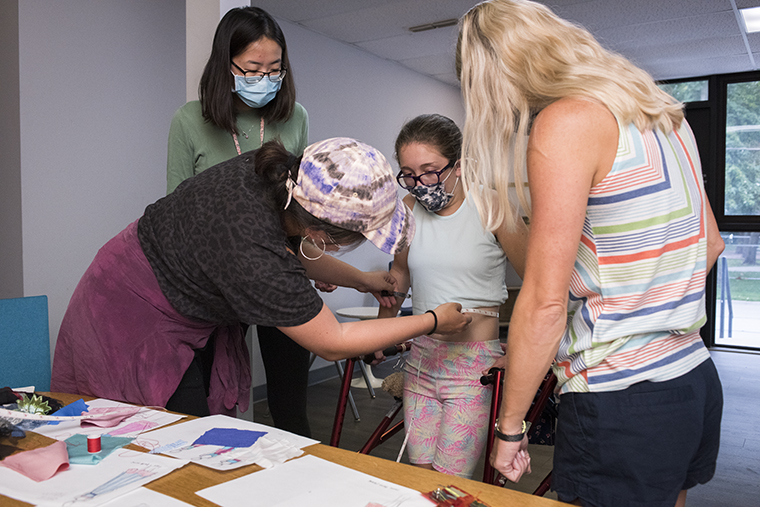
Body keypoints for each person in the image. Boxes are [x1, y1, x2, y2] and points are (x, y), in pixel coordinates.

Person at [457, 1, 725, 506]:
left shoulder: (566, 121)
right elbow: (711, 243)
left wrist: (509, 425)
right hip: (691, 377)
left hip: (620, 396)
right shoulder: (662, 116)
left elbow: (544, 303)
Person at [51, 137, 472, 420]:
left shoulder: (280, 178)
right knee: (173, 437)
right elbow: (332, 342)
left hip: (178, 286)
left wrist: (363, 280)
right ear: (318, 233)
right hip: (128, 313)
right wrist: (433, 320)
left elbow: (292, 254)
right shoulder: (250, 245)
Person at [166, 7, 313, 436]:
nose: (264, 78)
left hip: (275, 268)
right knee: (207, 403)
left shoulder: (295, 117)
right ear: (225, 65)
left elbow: (299, 203)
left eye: (275, 69)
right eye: (252, 69)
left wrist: (307, 257)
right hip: (213, 282)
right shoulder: (188, 121)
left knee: (291, 407)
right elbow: (177, 212)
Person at [376, 114, 528, 479]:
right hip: (422, 360)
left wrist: (523, 352)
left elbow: (538, 283)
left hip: (474, 367)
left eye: (429, 171)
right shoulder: (408, 211)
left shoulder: (493, 208)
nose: (419, 184)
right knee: (423, 474)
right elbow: (399, 274)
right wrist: (381, 332)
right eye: (409, 175)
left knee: (450, 481)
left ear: (458, 165)